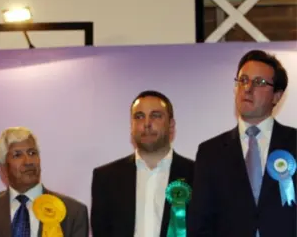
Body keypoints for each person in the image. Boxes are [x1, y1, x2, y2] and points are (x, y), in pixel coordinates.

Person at [187, 50, 296, 237]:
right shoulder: (210, 152)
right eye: (243, 80)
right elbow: (200, 224)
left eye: (259, 82)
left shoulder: (294, 143)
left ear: (276, 96)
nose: (247, 88)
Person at [91, 91, 194, 237]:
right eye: (139, 117)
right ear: (131, 126)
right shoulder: (106, 178)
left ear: (171, 125)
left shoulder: (197, 175)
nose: (146, 124)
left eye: (155, 115)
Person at [0, 127, 89, 237]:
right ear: (3, 168)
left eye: (32, 153)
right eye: (17, 155)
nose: (28, 162)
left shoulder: (73, 212)